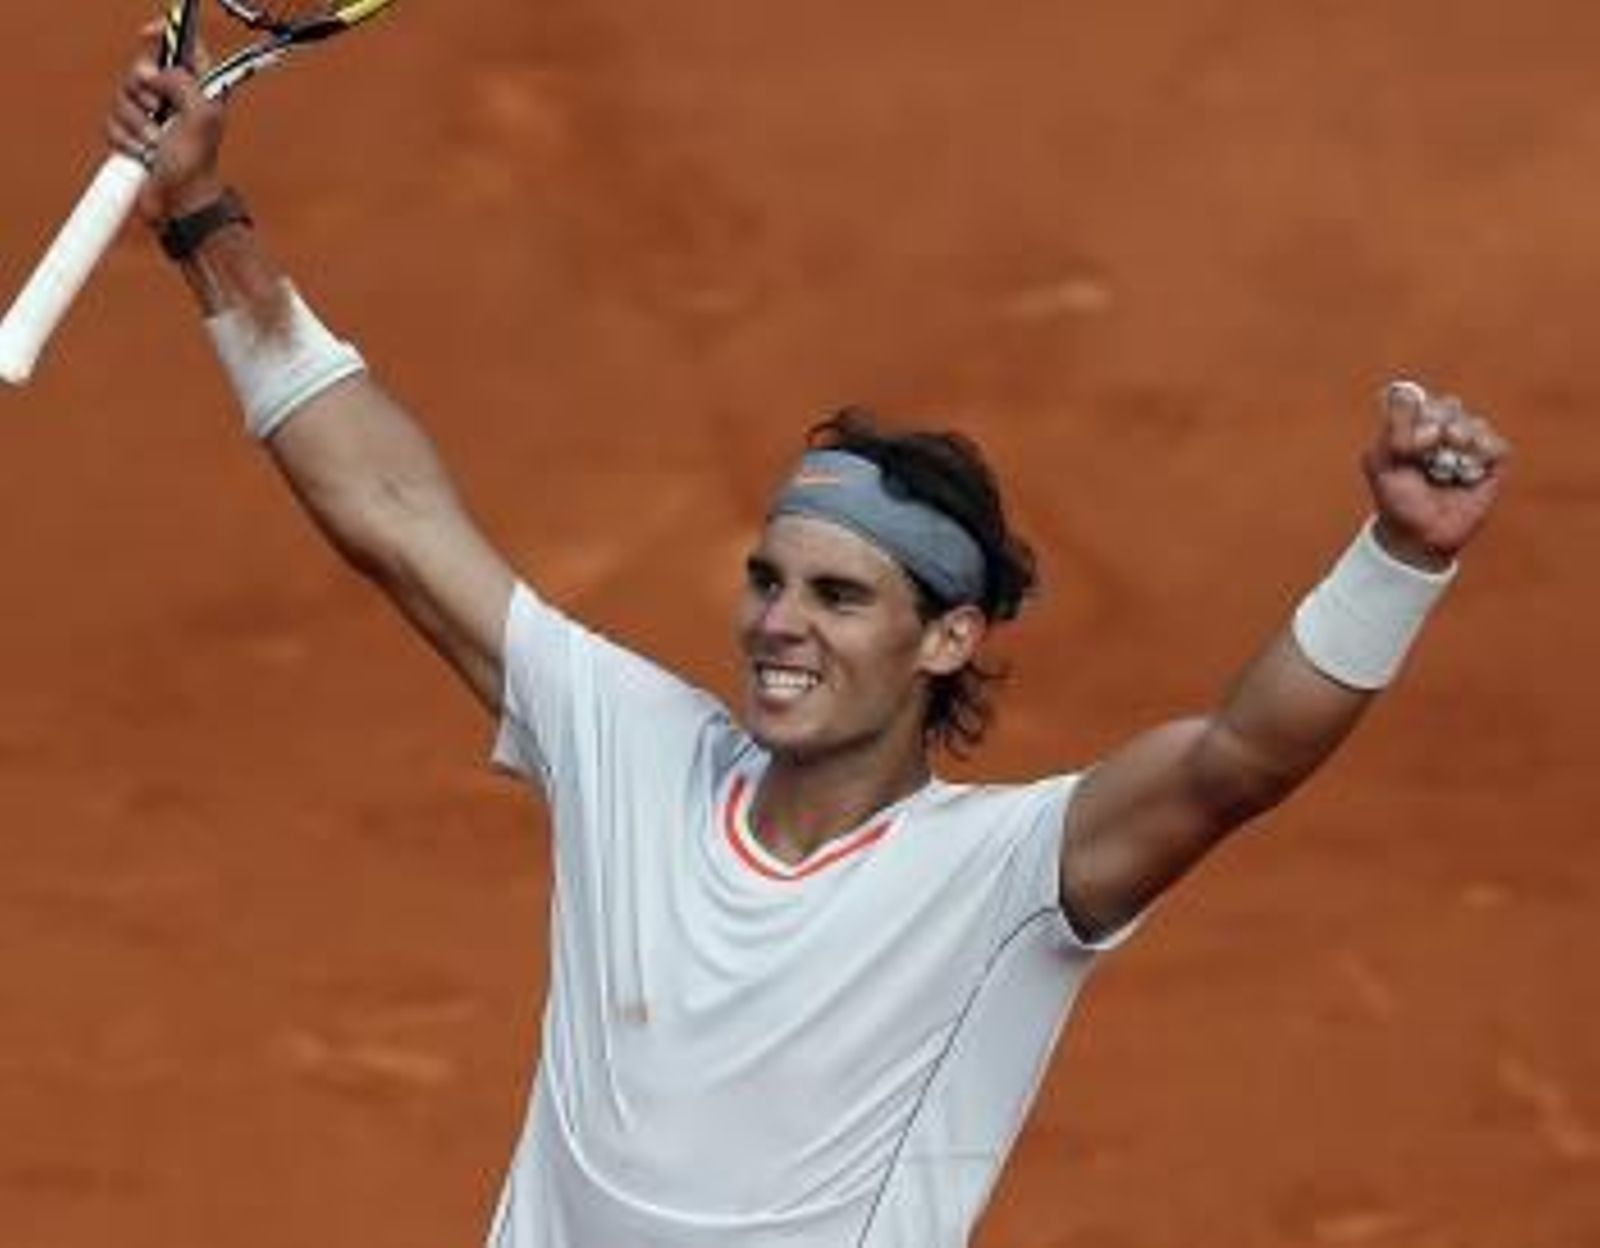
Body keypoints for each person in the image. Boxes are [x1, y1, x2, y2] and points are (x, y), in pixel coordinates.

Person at [109, 30, 1510, 1248]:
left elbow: (1243, 755)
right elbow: (393, 512)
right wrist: (204, 218)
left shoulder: (1006, 874)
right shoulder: (633, 750)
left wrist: (1397, 558)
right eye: (772, 580)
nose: (778, 625)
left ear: (948, 639)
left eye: (839, 599)